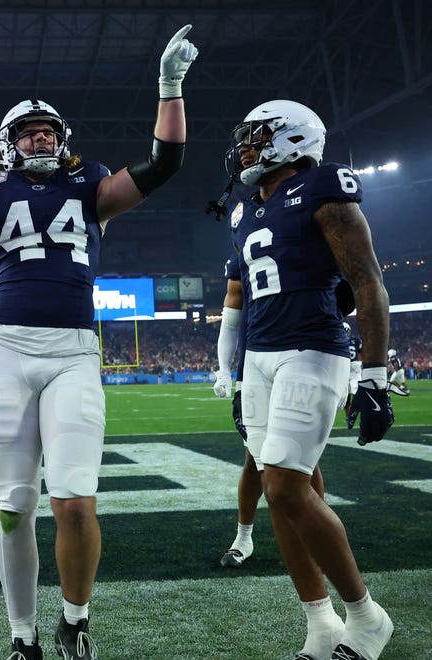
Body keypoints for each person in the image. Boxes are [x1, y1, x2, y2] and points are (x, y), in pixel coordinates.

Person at [0, 24, 198, 660]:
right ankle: (22, 636)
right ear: (9, 144)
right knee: (17, 506)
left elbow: (164, 164)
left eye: (48, 129)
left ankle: (74, 619)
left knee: (76, 502)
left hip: (74, 352)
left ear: (63, 139)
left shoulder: (91, 186)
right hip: (7, 353)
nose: (40, 135)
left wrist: (169, 86)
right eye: (28, 131)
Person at [220, 99, 395, 660]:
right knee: (285, 495)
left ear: (291, 140)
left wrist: (373, 375)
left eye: (257, 136)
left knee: (286, 487)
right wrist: (238, 373)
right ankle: (320, 625)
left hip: (312, 348)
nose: (245, 147)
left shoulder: (325, 188)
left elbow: (366, 282)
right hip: (262, 357)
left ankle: (367, 618)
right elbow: (242, 302)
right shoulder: (245, 209)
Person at [214, 253, 324, 569]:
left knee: (304, 459)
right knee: (254, 458)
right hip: (256, 365)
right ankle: (243, 536)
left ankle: (315, 531)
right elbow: (232, 315)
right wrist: (223, 368)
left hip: (302, 359)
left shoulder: (305, 232)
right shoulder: (246, 239)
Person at [343, 321, 363, 414]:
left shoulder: (338, 340)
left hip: (345, 366)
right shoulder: (356, 340)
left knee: (346, 393)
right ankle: (354, 411)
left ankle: (349, 414)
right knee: (356, 391)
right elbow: (361, 351)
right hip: (355, 366)